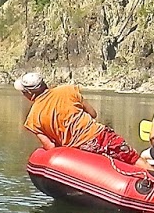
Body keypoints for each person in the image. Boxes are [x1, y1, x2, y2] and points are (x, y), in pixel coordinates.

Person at [14, 71, 142, 166]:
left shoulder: (33, 118)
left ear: (29, 93)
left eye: (23, 92)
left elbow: (51, 147)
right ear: (44, 84)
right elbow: (93, 114)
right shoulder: (68, 90)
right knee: (134, 159)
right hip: (101, 135)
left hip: (80, 150)